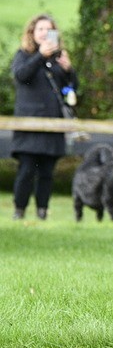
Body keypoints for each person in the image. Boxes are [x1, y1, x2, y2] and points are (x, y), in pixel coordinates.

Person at [10, 14, 77, 220]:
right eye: (40, 29)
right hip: (29, 125)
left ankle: (42, 211)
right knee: (26, 170)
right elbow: (21, 76)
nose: (44, 34)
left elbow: (71, 90)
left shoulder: (58, 60)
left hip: (53, 125)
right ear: (32, 32)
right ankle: (19, 211)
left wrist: (69, 70)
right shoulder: (23, 55)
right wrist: (39, 55)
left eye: (49, 30)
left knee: (47, 172)